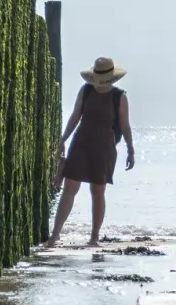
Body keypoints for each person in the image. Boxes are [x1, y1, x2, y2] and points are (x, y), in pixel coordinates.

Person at [47, 56, 134, 247]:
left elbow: (125, 126)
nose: (99, 85)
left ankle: (94, 237)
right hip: (80, 143)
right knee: (70, 186)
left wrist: (131, 149)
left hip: (104, 148)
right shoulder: (86, 91)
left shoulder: (120, 97)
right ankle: (55, 234)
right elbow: (75, 116)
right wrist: (62, 139)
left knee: (97, 190)